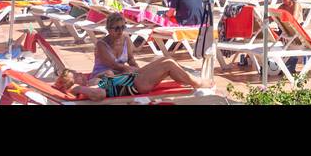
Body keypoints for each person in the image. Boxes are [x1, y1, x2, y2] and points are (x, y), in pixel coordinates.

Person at [55, 57, 212, 100]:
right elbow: (100, 94)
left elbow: (108, 79)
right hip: (136, 84)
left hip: (134, 77)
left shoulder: (90, 82)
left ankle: (191, 79)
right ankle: (198, 83)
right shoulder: (81, 88)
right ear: (73, 82)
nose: (81, 74)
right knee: (169, 64)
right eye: (77, 75)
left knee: (166, 60)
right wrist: (76, 88)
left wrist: (107, 75)